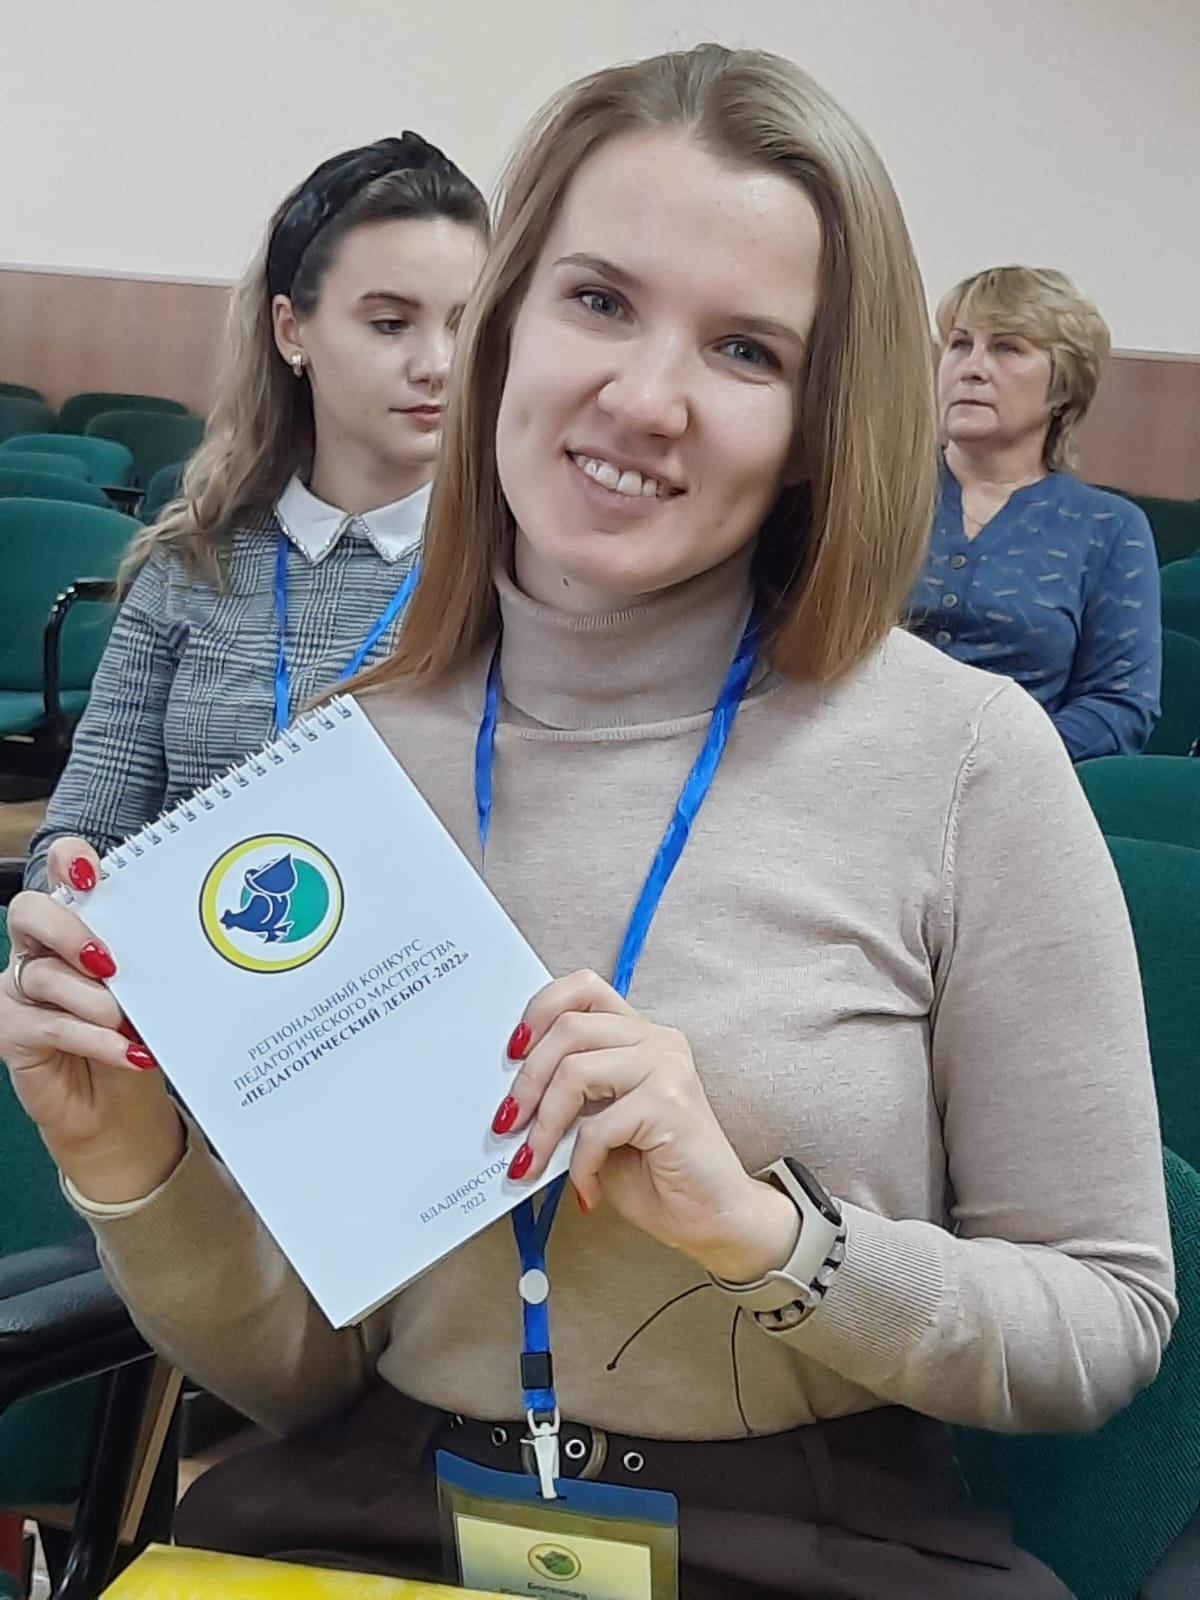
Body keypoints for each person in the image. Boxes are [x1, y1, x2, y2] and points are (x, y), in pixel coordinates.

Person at [1, 45, 1174, 1600]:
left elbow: (1106, 1324)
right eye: (600, 300)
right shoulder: (353, 762)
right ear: (504, 330)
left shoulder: (965, 760)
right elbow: (303, 1374)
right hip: (384, 1520)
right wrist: (130, 1163)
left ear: (823, 418)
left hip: (803, 1542)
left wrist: (764, 1235)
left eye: (746, 349)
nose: (643, 396)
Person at [23, 133, 488, 893]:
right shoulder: (194, 561)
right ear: (291, 329)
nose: (438, 364)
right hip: (188, 950)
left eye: (466, 324)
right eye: (390, 323)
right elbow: (81, 841)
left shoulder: (514, 574)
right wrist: (64, 904)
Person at [906, 265, 1162, 762]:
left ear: (1063, 388)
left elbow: (1119, 707)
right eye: (960, 344)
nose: (972, 368)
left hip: (1015, 782)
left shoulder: (1109, 528)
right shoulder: (876, 494)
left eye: (1007, 348)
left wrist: (992, 764)